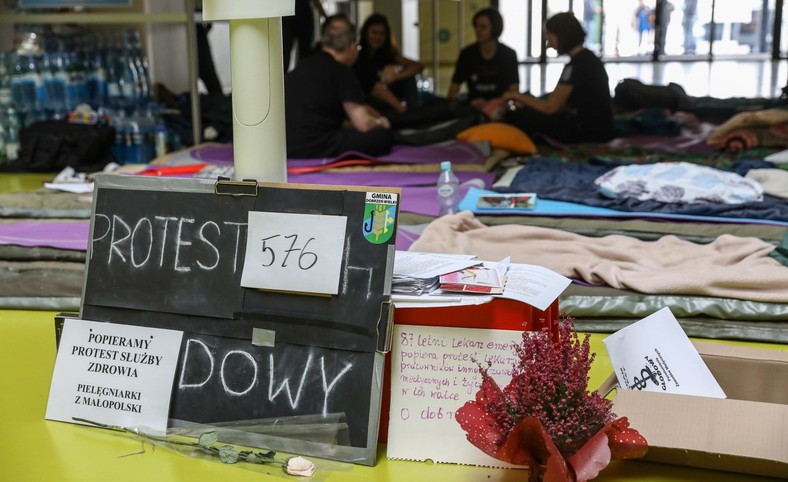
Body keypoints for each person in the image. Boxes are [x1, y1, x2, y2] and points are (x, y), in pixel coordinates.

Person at [285, 14, 393, 159]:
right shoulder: (342, 72)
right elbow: (364, 124)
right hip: (315, 146)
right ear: (353, 47)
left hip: (286, 147)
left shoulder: (302, 66)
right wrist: (381, 122)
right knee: (382, 137)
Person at [503, 12, 614, 144]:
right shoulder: (585, 59)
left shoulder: (578, 65)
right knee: (530, 107)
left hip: (589, 131)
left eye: (549, 37)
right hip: (597, 127)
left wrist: (516, 96)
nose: (548, 44)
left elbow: (550, 108)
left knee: (520, 116)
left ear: (562, 36)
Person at [447, 7, 519, 118]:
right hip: (472, 106)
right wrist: (467, 104)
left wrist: (492, 103)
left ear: (495, 29)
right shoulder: (467, 54)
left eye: (483, 27)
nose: (477, 31)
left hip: (499, 107)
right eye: (476, 26)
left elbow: (514, 93)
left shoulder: (508, 54)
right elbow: (453, 91)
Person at [354, 13, 425, 114]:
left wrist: (395, 77)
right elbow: (374, 88)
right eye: (374, 33)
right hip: (369, 102)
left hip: (387, 97)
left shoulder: (387, 53)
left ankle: (415, 112)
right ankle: (413, 115)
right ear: (365, 33)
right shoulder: (357, 57)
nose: (377, 37)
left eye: (382, 34)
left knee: (409, 76)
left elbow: (418, 66)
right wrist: (401, 109)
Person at [282, 0, 327, 72]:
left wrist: (325, 16)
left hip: (300, 16)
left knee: (304, 54)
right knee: (285, 54)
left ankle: (302, 75)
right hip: (290, 16)